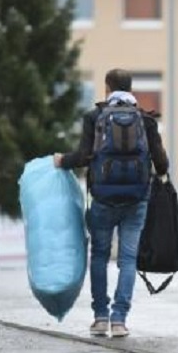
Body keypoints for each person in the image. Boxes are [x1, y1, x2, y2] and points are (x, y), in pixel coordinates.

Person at [53, 68, 169, 338]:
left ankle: (100, 317)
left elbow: (83, 156)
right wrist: (158, 174)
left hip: (103, 198)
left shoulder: (94, 117)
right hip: (137, 199)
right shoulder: (146, 120)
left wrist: (62, 160)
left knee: (100, 256)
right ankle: (120, 319)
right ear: (131, 88)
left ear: (108, 87)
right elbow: (162, 163)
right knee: (128, 259)